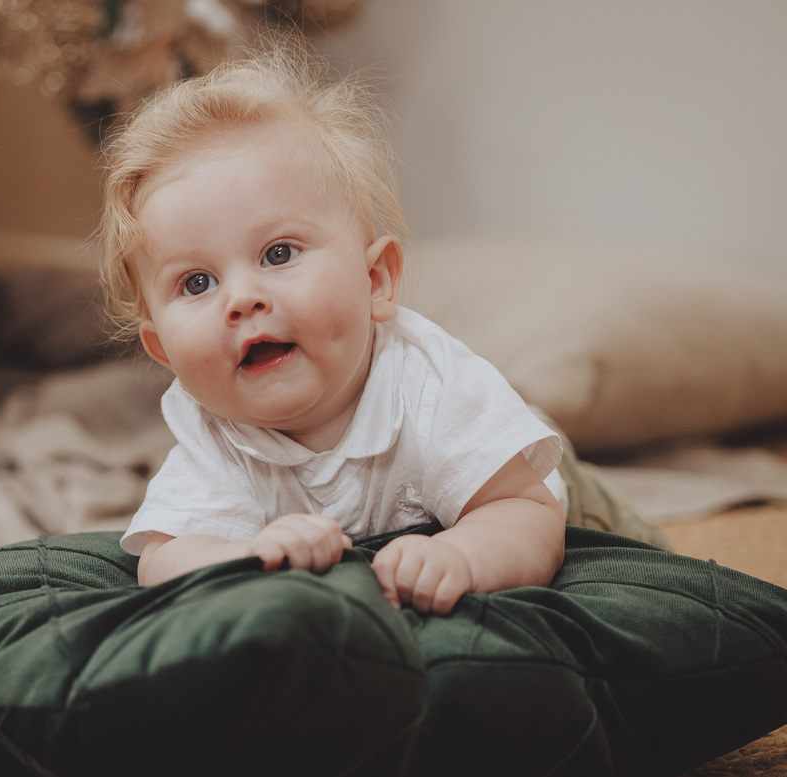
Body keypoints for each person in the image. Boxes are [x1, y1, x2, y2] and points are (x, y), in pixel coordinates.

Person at [98, 45, 567, 614]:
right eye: (197, 283)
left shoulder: (430, 384)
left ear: (374, 281)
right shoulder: (213, 432)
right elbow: (165, 559)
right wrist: (248, 557)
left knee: (566, 487)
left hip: (523, 479)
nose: (242, 300)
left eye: (277, 253)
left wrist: (462, 556)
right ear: (163, 350)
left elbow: (526, 509)